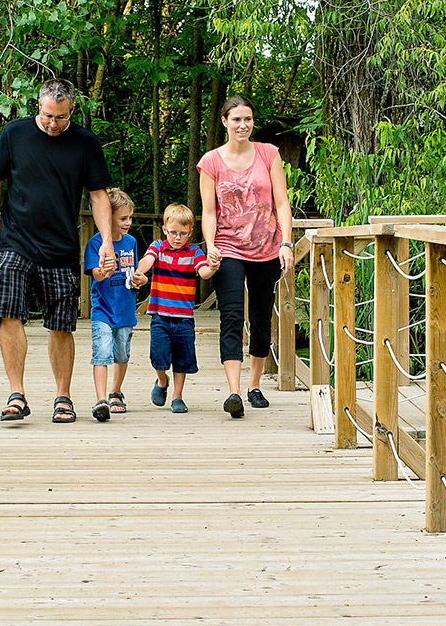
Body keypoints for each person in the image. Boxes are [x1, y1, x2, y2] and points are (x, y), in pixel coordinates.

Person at [0, 79, 116, 424]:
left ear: (72, 110)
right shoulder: (14, 133)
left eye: (60, 117)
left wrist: (107, 243)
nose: (52, 123)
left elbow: (98, 195)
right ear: (38, 106)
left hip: (60, 245)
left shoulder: (85, 143)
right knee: (7, 311)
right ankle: (16, 393)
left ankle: (63, 396)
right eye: (47, 115)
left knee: (61, 325)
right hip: (15, 241)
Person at [199, 95, 294, 418]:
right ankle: (234, 391)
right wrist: (210, 244)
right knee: (231, 315)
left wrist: (287, 243)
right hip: (227, 247)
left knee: (261, 316)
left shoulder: (269, 154)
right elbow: (208, 210)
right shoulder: (210, 161)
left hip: (266, 247)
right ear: (225, 122)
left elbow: (282, 203)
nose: (243, 125)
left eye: (248, 119)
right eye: (236, 119)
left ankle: (254, 385)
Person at [134, 203, 213, 413]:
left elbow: (203, 272)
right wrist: (140, 273)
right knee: (158, 357)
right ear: (164, 230)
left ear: (190, 232)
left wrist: (212, 267)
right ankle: (162, 381)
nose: (177, 238)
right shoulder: (158, 247)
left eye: (182, 233)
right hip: (160, 316)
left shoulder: (194, 251)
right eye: (173, 233)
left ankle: (177, 397)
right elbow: (147, 261)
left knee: (182, 359)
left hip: (184, 317)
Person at [85, 189, 141, 422]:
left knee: (121, 353)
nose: (127, 223)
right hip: (102, 310)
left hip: (125, 309)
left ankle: (115, 391)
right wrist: (104, 269)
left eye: (130, 218)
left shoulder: (131, 242)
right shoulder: (95, 243)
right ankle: (101, 399)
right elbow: (95, 275)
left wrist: (141, 279)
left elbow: (134, 272)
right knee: (102, 353)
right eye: (122, 218)